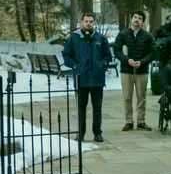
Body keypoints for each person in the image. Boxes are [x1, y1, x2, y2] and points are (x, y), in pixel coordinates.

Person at [63, 12, 114, 143]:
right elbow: (66, 55)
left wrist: (102, 65)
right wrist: (75, 65)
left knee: (97, 108)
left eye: (91, 21)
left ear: (94, 23)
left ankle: (97, 133)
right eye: (86, 21)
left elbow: (108, 56)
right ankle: (81, 133)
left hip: (97, 79)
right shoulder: (74, 38)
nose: (88, 24)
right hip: (81, 79)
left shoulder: (100, 38)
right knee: (81, 108)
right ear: (81, 22)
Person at [115, 12, 154, 131]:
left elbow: (152, 53)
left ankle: (141, 121)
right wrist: (127, 60)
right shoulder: (123, 34)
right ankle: (129, 121)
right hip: (126, 70)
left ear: (143, 22)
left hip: (142, 71)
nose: (137, 20)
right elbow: (117, 50)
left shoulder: (147, 36)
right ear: (131, 19)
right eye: (135, 17)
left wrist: (142, 62)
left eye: (140, 18)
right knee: (127, 97)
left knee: (141, 97)